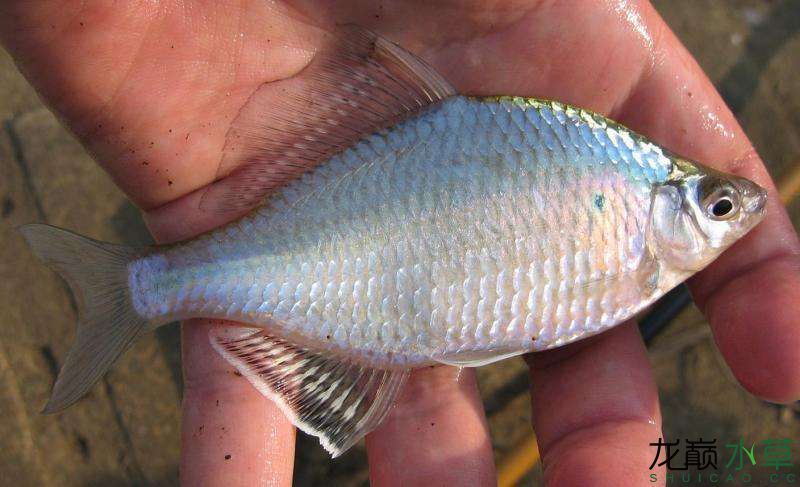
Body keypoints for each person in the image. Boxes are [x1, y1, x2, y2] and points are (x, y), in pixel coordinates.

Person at [2, 1, 798, 485]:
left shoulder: (616, 186)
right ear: (663, 201)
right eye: (716, 204)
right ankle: (146, 291)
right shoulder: (620, 192)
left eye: (718, 203)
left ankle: (148, 290)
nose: (731, 214)